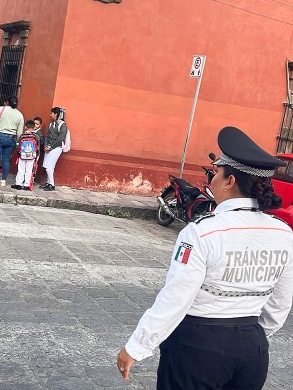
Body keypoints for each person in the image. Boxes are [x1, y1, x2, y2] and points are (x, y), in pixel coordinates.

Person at [117, 126, 293, 390]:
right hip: (252, 350)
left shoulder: (202, 231)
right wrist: (251, 336)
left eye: (216, 173)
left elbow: (176, 297)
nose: (212, 180)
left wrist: (137, 346)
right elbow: (280, 303)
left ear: (230, 181)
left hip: (198, 348)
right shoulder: (283, 232)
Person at [0, 96, 24, 186]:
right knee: (6, 160)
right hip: (11, 138)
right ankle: (3, 180)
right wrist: (17, 141)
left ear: (7, 102)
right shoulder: (20, 115)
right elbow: (20, 132)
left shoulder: (0, 109)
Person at [40, 107, 67, 191]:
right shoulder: (51, 124)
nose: (50, 115)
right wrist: (46, 146)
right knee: (50, 167)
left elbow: (61, 138)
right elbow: (47, 136)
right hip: (48, 147)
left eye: (52, 113)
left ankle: (52, 184)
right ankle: (49, 183)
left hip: (57, 147)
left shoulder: (63, 125)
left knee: (48, 166)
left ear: (56, 114)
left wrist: (51, 147)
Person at [11, 119, 39, 191]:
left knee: (21, 169)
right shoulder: (36, 136)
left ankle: (19, 184)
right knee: (29, 170)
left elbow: (18, 145)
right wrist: (36, 155)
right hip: (31, 156)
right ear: (34, 127)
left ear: (25, 127)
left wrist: (18, 153)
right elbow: (37, 147)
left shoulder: (22, 136)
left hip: (22, 155)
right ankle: (26, 185)